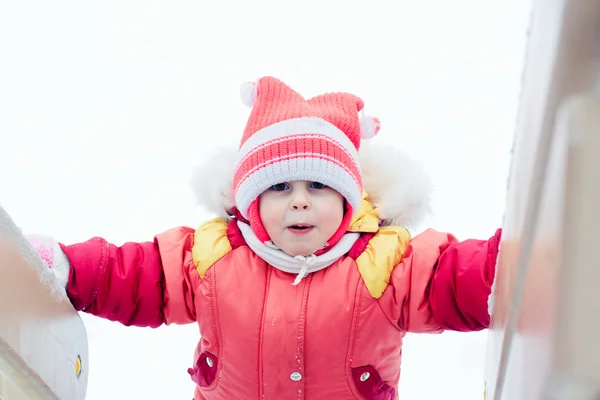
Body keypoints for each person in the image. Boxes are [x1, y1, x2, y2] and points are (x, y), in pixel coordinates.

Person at [28, 76, 502, 400]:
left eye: (318, 186)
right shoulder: (213, 256)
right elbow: (138, 277)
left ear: (348, 200)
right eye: (279, 187)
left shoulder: (387, 262)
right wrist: (69, 267)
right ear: (251, 201)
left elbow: (454, 279)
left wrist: (517, 265)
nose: (299, 202)